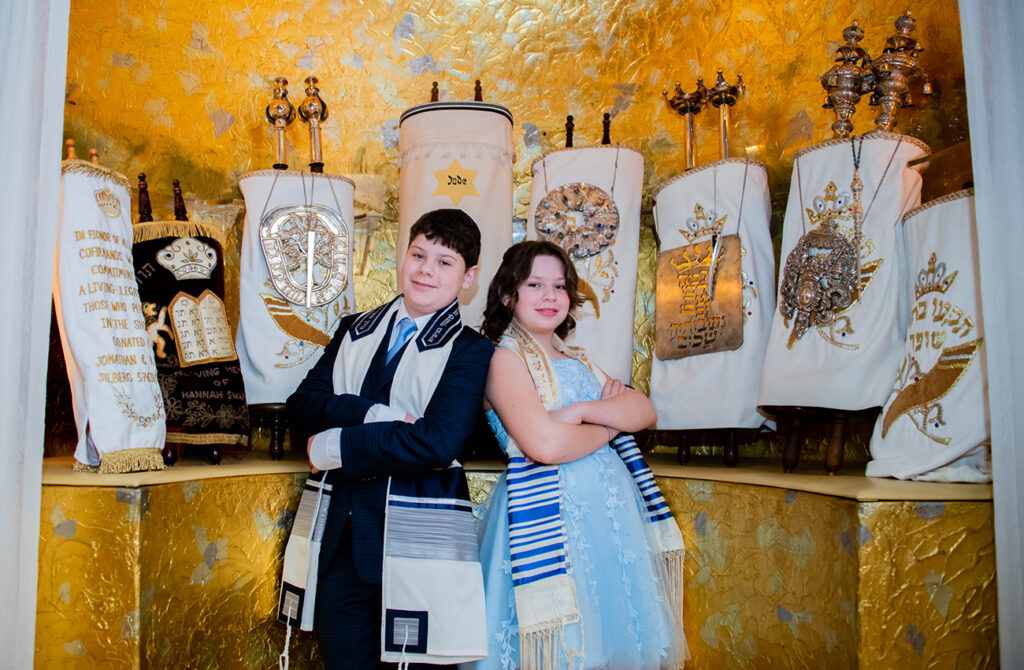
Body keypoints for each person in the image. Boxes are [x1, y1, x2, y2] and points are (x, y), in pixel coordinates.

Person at [286, 209, 494, 669]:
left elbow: (437, 443)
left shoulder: (471, 350)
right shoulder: (353, 329)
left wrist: (335, 445)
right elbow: (302, 407)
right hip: (340, 542)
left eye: (445, 262)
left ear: (469, 277)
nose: (425, 270)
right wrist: (376, 414)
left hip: (418, 545)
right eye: (418, 254)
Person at [466, 240, 688, 670]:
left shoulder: (578, 358)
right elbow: (545, 445)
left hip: (609, 517)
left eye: (560, 286)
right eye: (534, 284)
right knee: (562, 644)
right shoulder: (502, 360)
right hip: (550, 517)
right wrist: (608, 423)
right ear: (508, 295)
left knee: (609, 633)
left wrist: (582, 412)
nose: (550, 296)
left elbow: (644, 411)